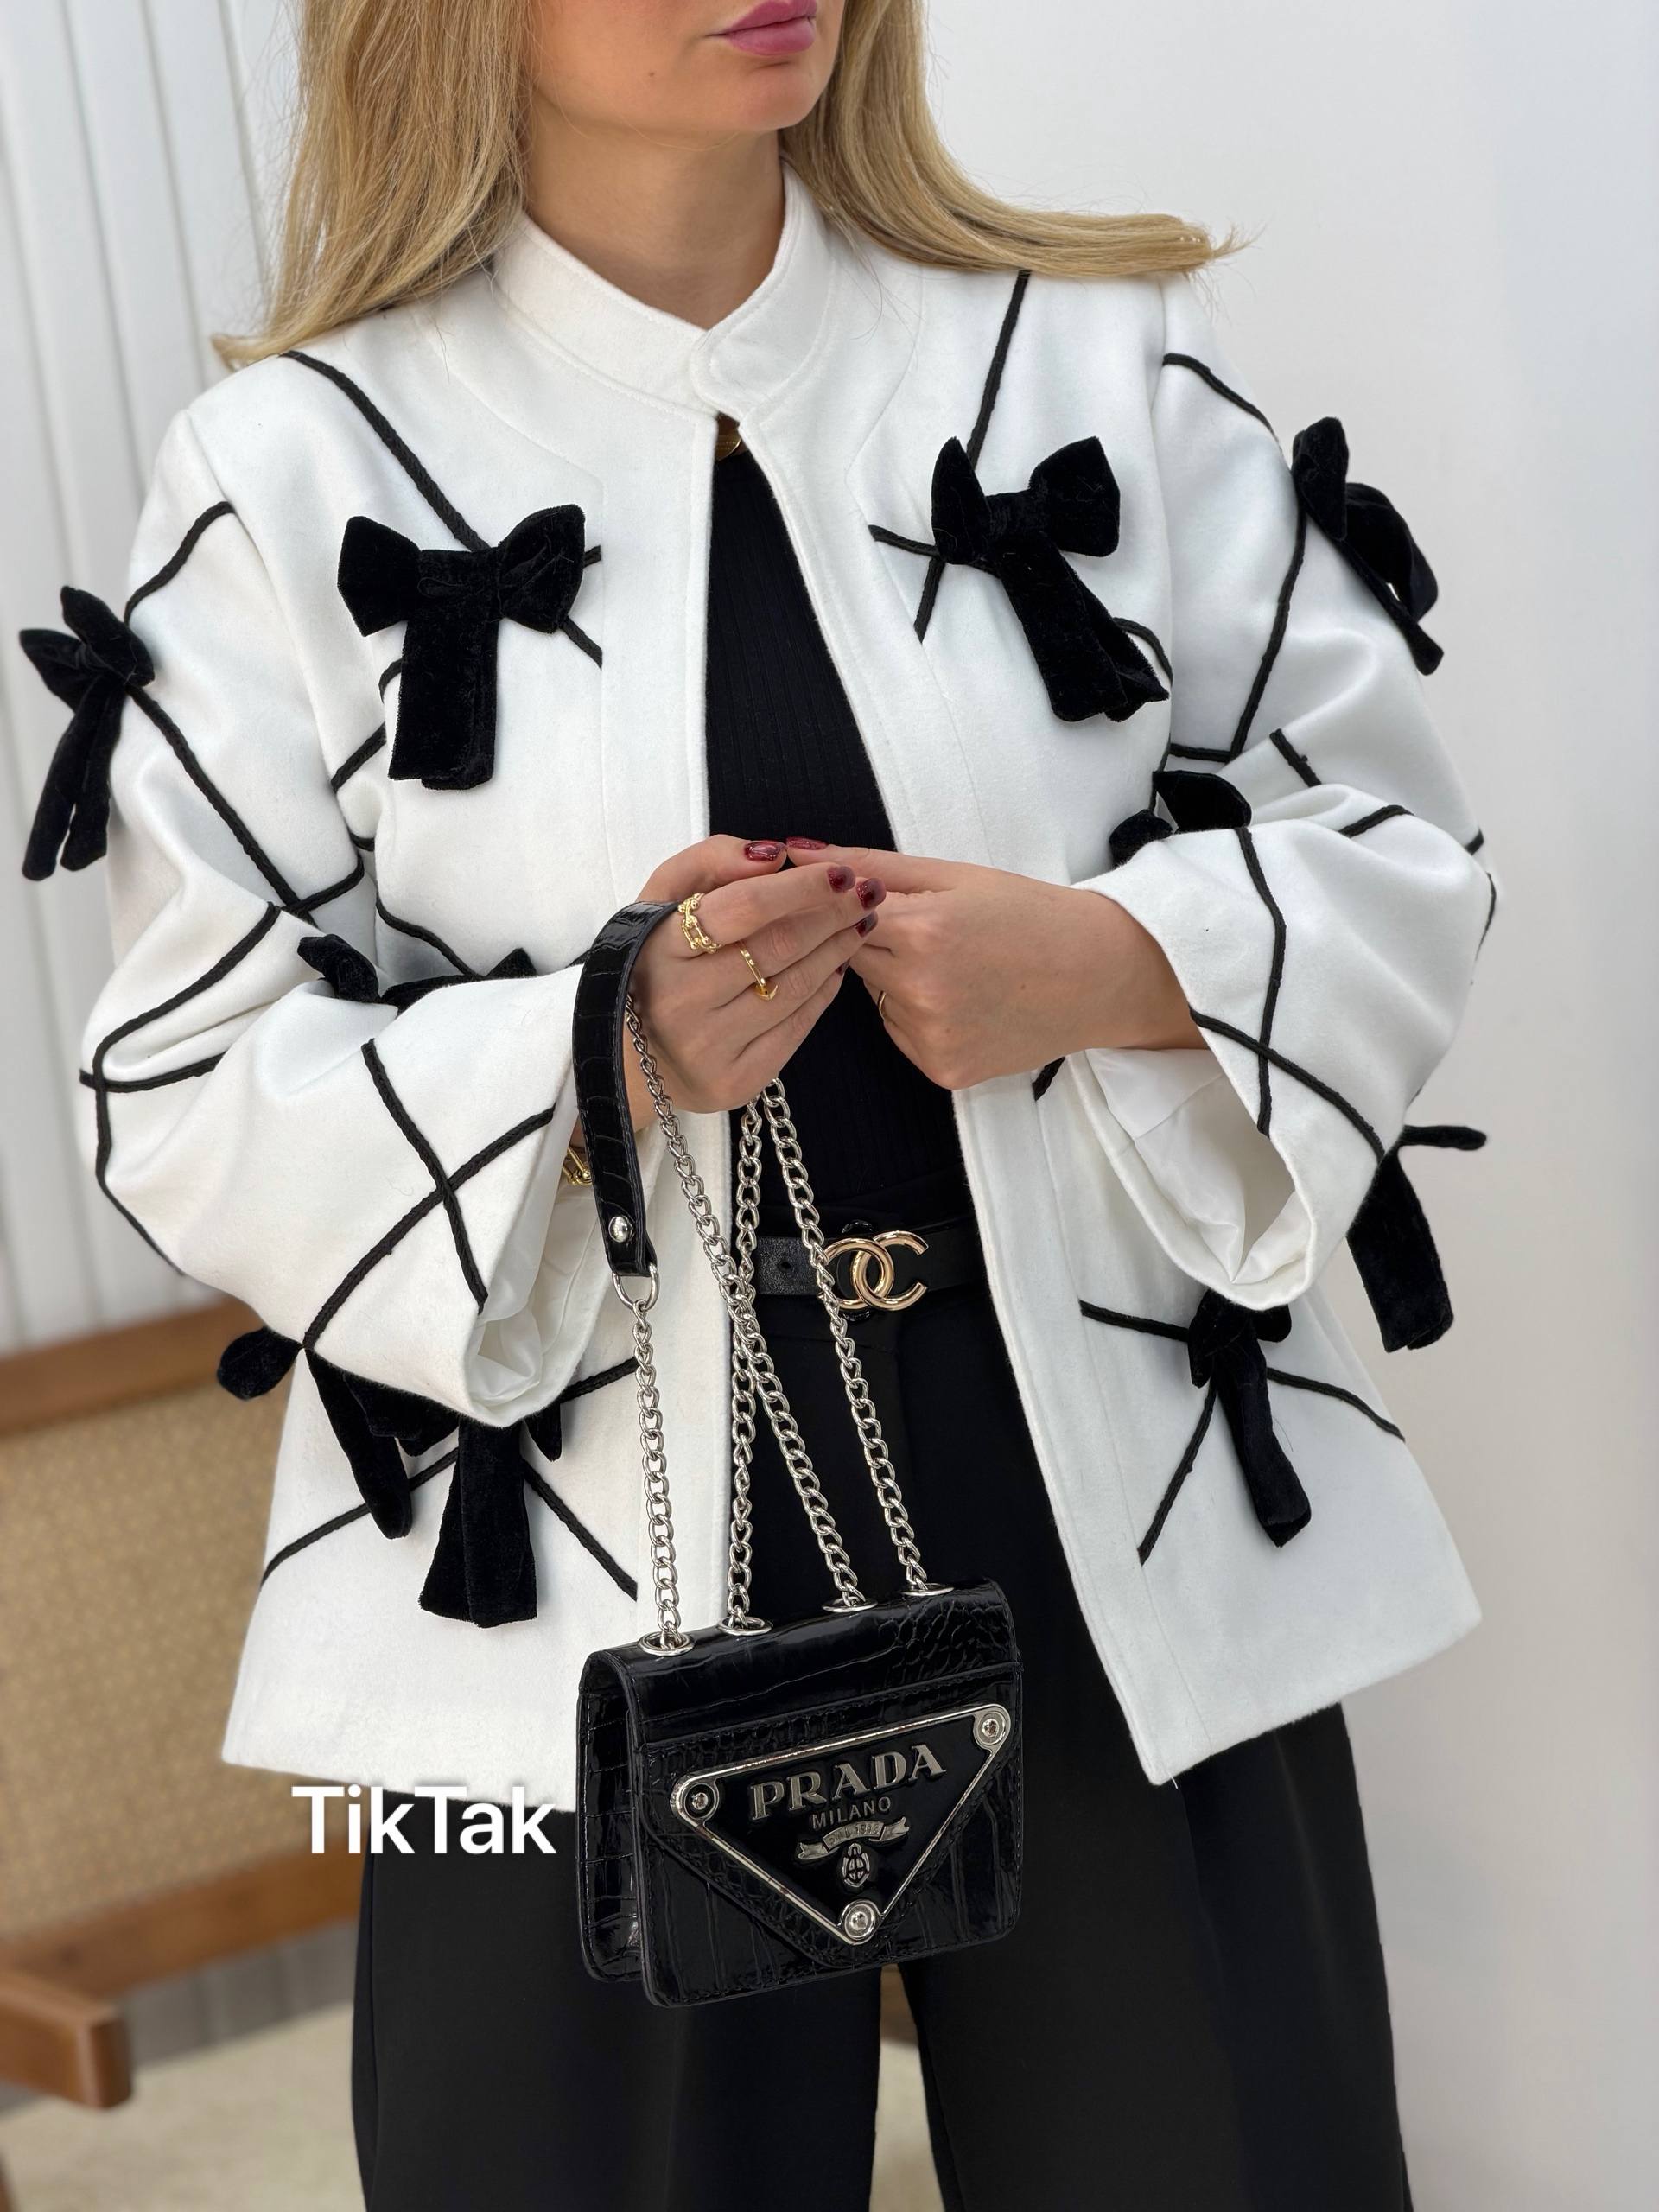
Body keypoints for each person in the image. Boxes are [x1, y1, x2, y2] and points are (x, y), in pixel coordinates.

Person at [18, 2, 1495, 2205]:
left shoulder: (1099, 362)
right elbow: (183, 1071)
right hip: (562, 1574)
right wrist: (597, 1055)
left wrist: (1109, 960)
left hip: (1124, 1502)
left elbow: (1396, 843)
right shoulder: (291, 468)